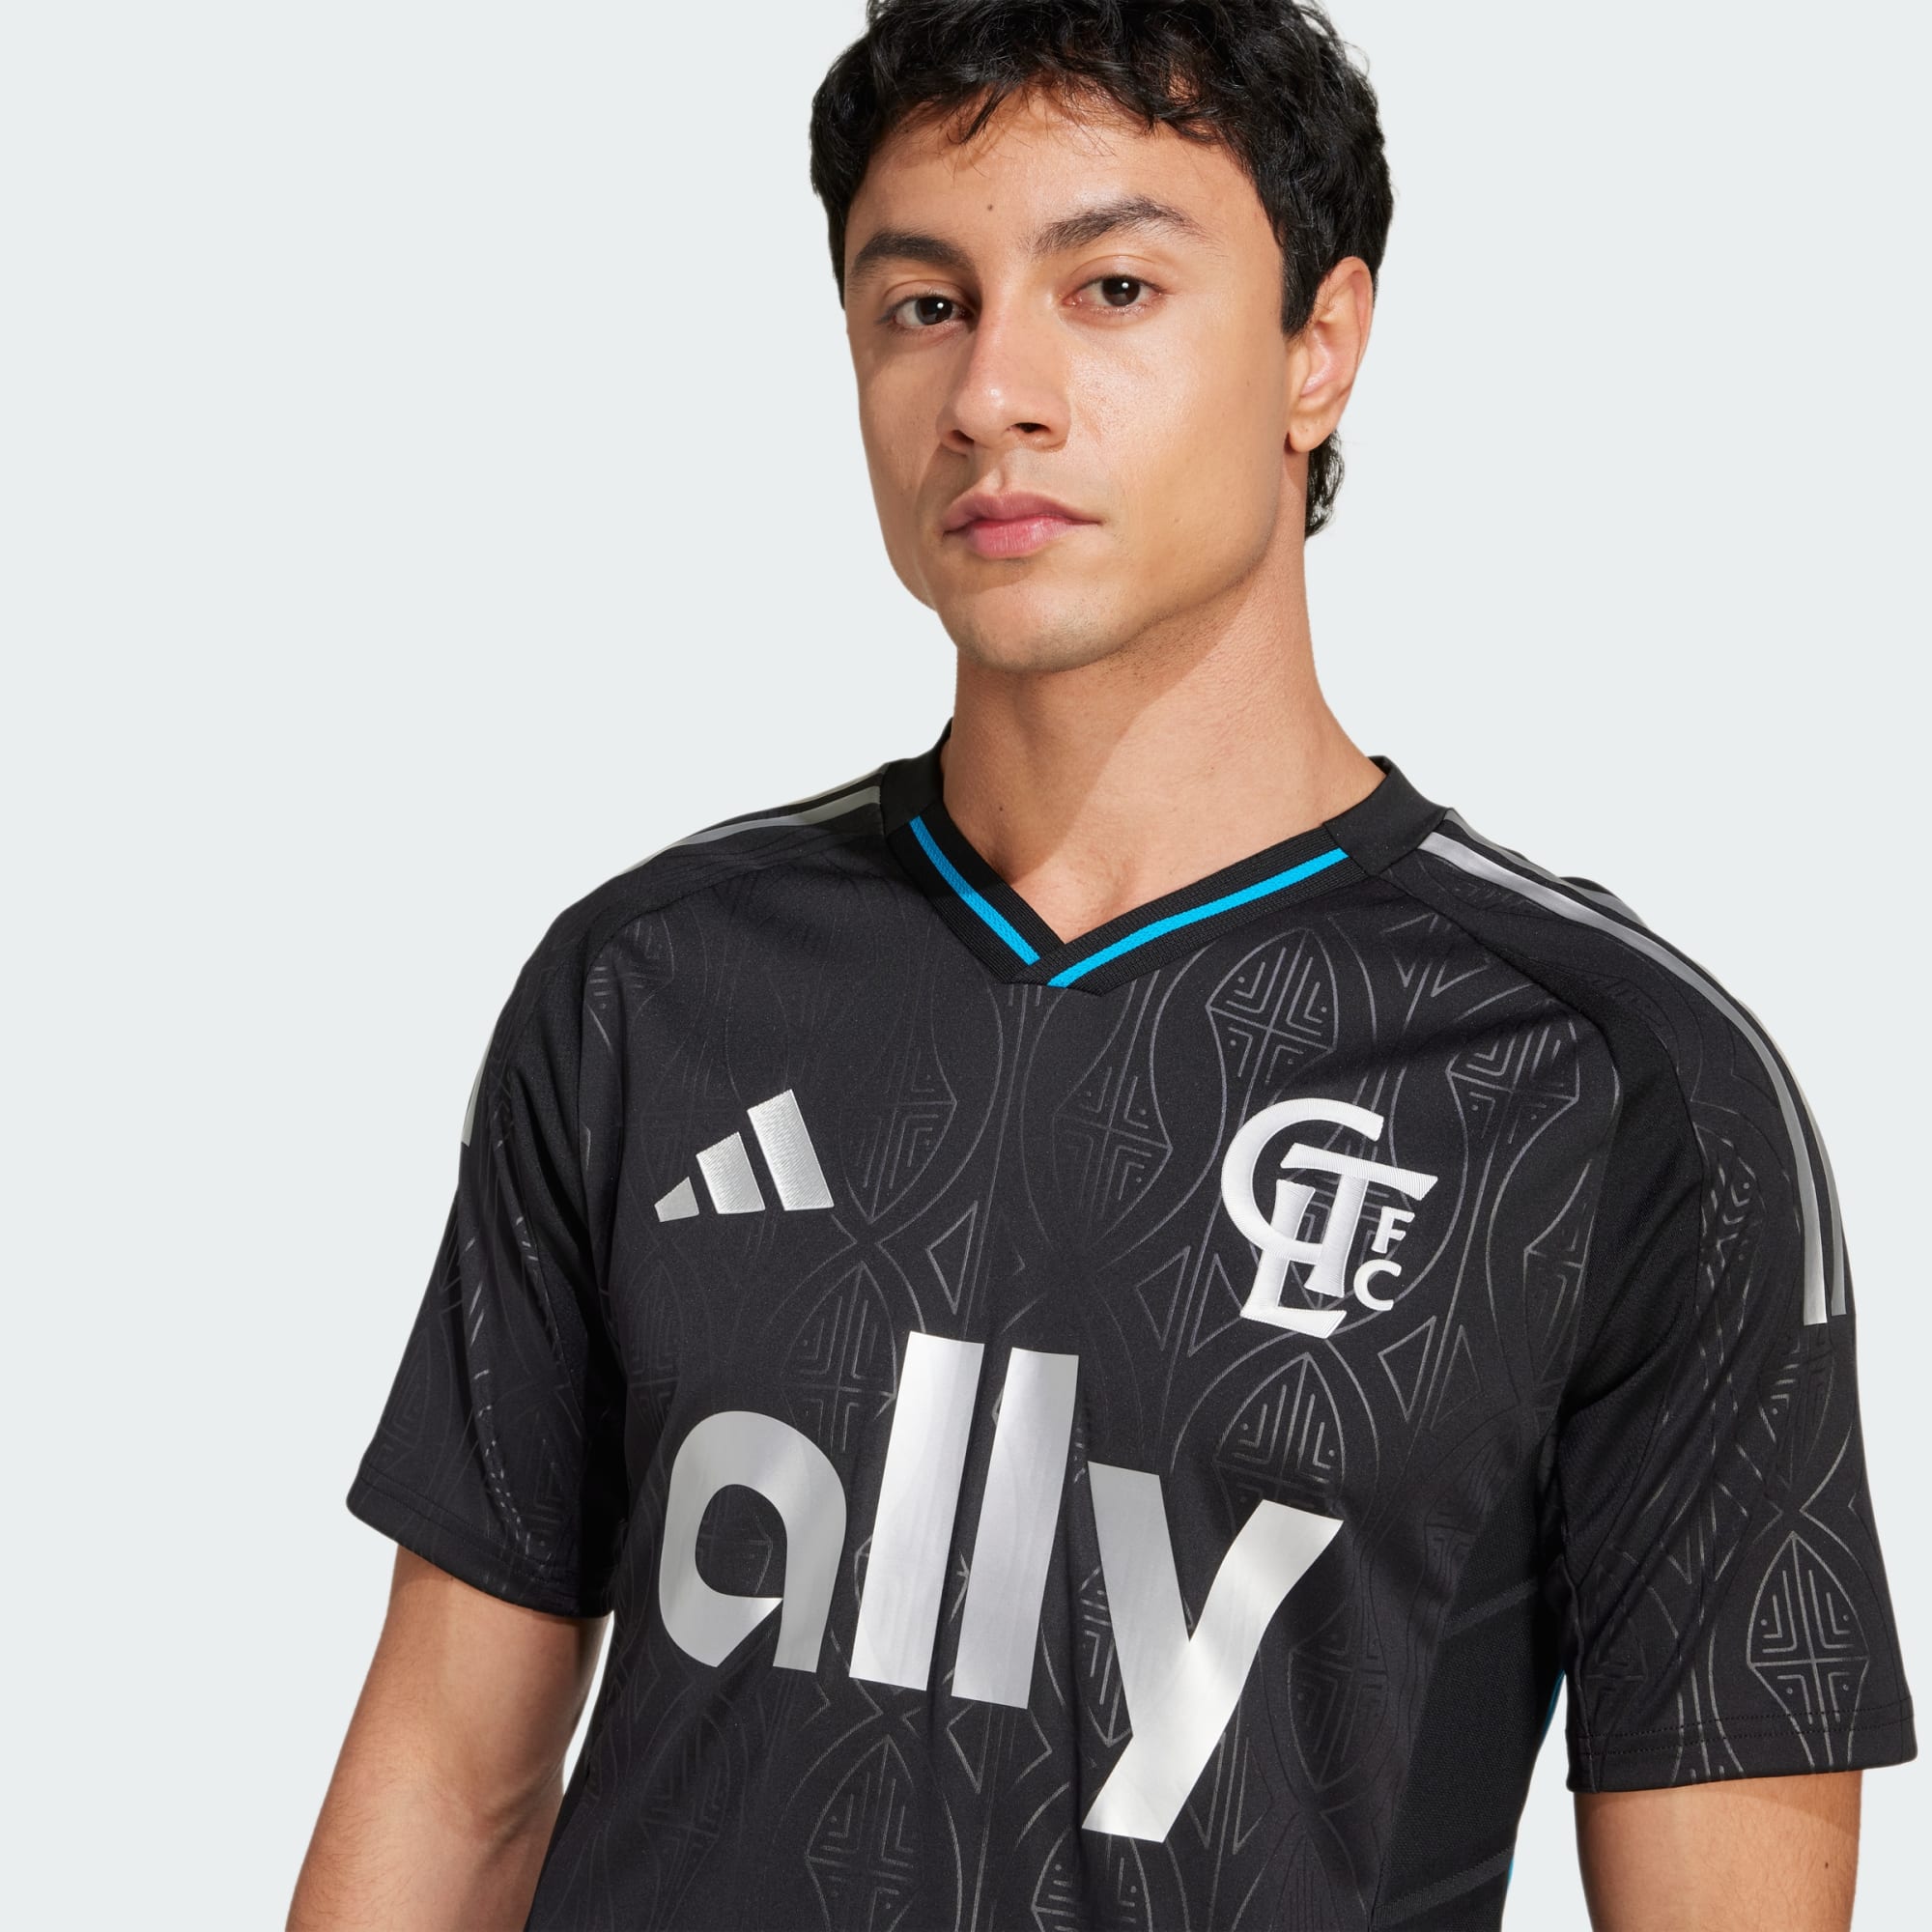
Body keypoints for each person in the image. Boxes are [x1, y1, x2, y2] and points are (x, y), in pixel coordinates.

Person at [288, 4, 1915, 1927]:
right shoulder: (650, 988)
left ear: (1318, 344)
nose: (995, 392)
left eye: (1114, 288)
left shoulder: (1615, 1087)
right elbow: (452, 1783)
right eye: (923, 305)